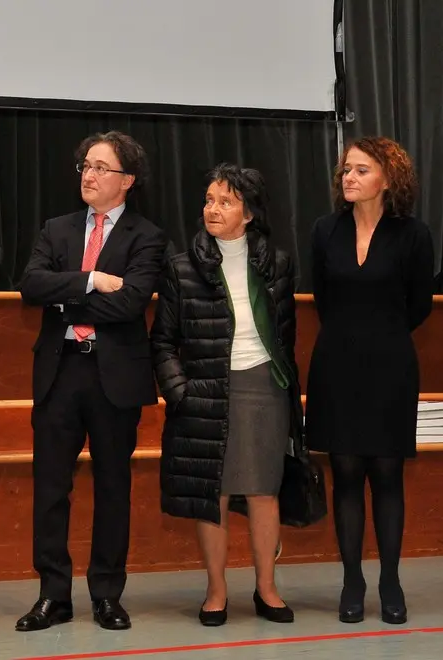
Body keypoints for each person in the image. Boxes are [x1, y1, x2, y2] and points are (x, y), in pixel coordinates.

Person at [16, 131, 168, 632]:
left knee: (112, 488)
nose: (89, 173)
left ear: (127, 181)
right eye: (86, 164)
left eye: (102, 167)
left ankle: (106, 594)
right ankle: (52, 595)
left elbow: (130, 304)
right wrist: (90, 280)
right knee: (51, 488)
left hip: (114, 376)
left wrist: (67, 297)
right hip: (60, 372)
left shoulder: (146, 236)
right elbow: (31, 286)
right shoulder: (57, 229)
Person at [150, 164, 302, 626]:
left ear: (249, 213)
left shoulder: (277, 263)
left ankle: (267, 589)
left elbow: (286, 335)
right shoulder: (181, 267)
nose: (212, 209)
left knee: (262, 492)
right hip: (206, 389)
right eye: (209, 199)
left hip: (262, 388)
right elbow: (162, 342)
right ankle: (216, 591)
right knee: (210, 494)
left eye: (225, 201)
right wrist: (180, 393)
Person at [305, 137, 433, 625]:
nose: (349, 178)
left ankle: (391, 580)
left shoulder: (413, 235)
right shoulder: (324, 230)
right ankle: (353, 581)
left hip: (390, 366)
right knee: (347, 473)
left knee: (386, 473)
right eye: (346, 171)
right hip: (336, 364)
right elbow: (322, 298)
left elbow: (419, 304)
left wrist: (381, 334)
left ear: (387, 178)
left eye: (360, 170)